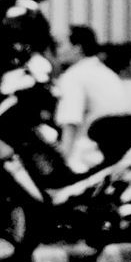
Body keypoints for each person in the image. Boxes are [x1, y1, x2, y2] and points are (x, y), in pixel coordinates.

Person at [54, 25, 126, 172]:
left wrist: (60, 166)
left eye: (61, 45)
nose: (57, 51)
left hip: (85, 157)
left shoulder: (73, 76)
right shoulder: (107, 74)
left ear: (77, 48)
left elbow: (71, 122)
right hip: (115, 153)